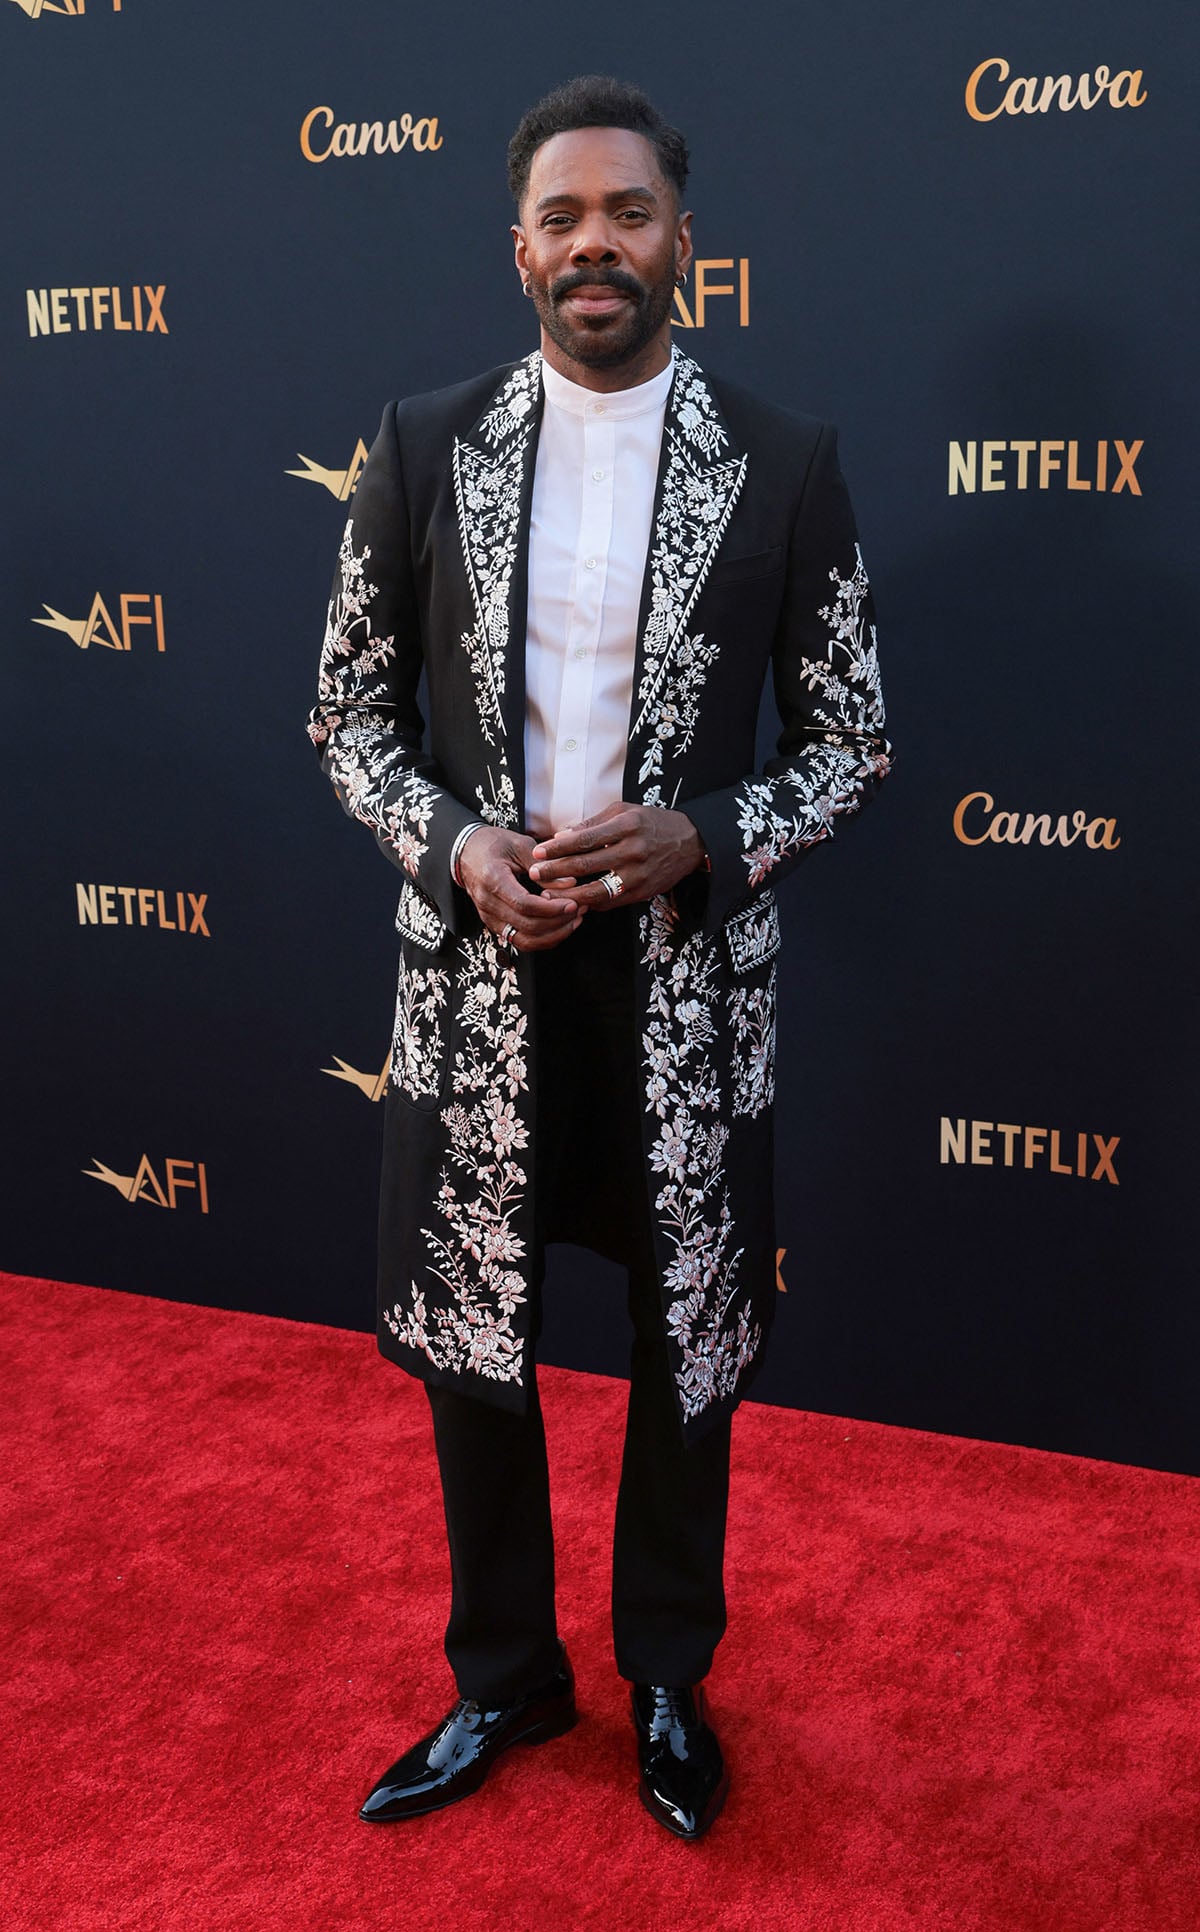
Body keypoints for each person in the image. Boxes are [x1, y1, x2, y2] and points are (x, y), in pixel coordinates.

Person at [308, 74, 890, 1841]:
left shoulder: (783, 460)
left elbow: (853, 740)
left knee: (680, 1342)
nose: (595, 246)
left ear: (681, 241)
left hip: (685, 992)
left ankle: (664, 1674)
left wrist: (704, 831)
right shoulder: (424, 442)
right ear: (520, 251)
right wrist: (455, 846)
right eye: (562, 219)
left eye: (627, 214)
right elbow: (346, 716)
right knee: (474, 1333)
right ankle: (504, 1677)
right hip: (480, 980)